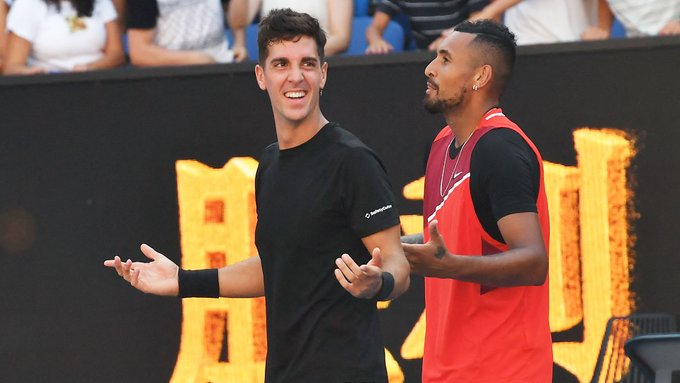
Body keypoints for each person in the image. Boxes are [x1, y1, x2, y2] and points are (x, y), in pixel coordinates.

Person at [104, 8, 410, 383]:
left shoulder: (353, 161)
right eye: (281, 64)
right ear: (261, 76)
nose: (296, 77)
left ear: (323, 74)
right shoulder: (270, 163)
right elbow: (279, 266)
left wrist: (380, 283)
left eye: (308, 64)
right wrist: (184, 281)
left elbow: (398, 261)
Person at [402, 20, 552, 382]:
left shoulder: (501, 149)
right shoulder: (439, 145)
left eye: (445, 59)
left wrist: (449, 266)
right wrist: (382, 247)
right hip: (446, 371)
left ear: (480, 77)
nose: (430, 68)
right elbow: (445, 244)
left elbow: (533, 261)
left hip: (505, 371)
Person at [3, 0, 124, 74]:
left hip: (96, 82)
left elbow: (116, 54)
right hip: (48, 86)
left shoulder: (101, 2)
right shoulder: (28, 4)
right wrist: (32, 73)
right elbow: (12, 66)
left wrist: (89, 68)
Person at [364, 0, 518, 54]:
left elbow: (479, 25)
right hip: (423, 60)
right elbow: (374, 28)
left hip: (464, 55)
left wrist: (451, 39)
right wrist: (375, 41)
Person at [227, 0, 353, 60]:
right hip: (276, 70)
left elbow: (341, 38)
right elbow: (238, 21)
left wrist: (297, 55)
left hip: (316, 66)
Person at [126, 0, 234, 67]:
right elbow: (139, 53)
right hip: (174, 80)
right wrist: (197, 60)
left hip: (225, 71)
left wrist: (240, 42)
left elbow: (236, 17)